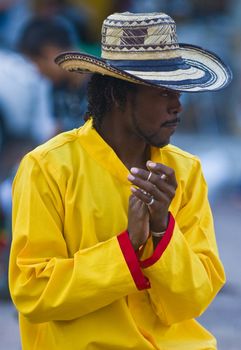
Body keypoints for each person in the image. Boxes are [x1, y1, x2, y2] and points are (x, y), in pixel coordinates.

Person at [9, 11, 232, 350]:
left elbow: (192, 301)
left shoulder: (186, 171)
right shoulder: (47, 168)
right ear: (117, 95)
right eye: (163, 92)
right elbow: (33, 293)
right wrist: (127, 246)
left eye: (179, 92)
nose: (178, 106)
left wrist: (161, 230)